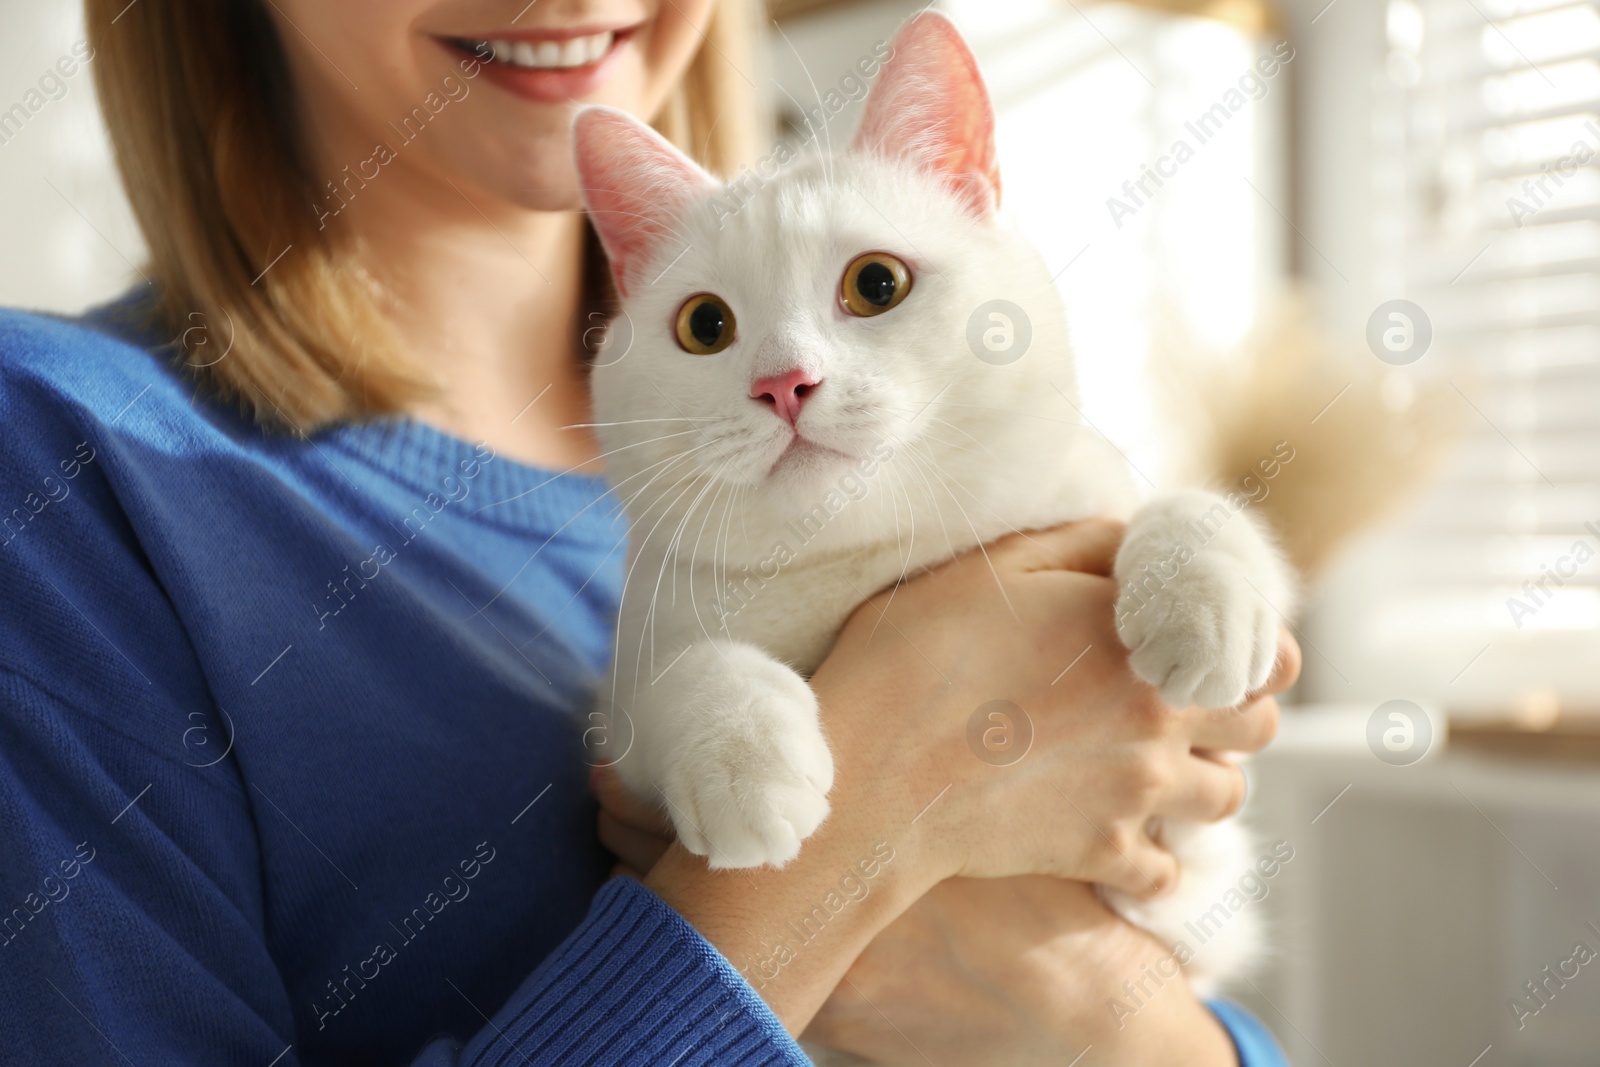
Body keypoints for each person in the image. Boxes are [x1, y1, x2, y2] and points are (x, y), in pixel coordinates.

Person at [0, 0, 1297, 1063]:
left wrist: (1105, 1026)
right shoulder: (56, 465)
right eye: (712, 327)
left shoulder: (947, 450)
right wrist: (855, 833)